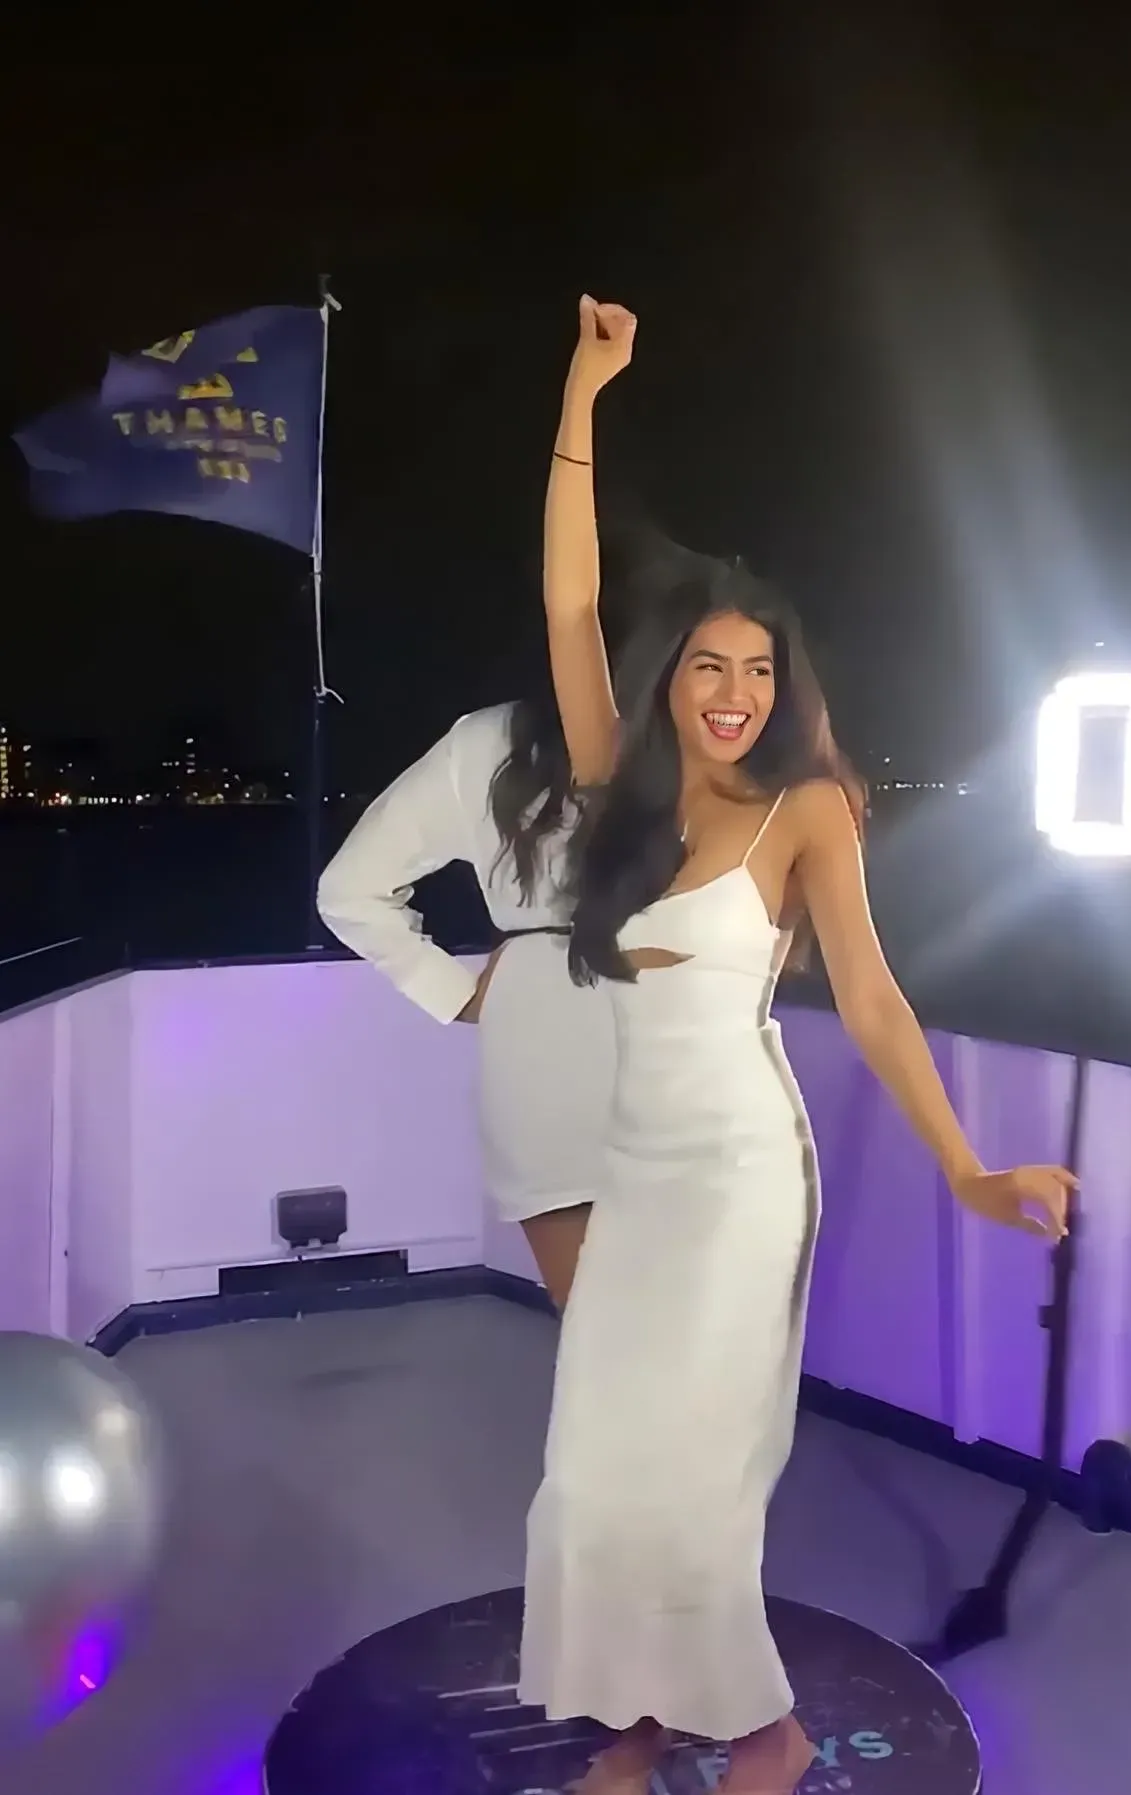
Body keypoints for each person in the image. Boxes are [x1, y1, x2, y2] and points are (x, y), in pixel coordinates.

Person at [518, 296, 1075, 1794]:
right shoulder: (620, 791)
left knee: (700, 1478)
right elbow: (570, 606)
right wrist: (584, 391)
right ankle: (635, 1720)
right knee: (596, 1465)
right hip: (639, 1176)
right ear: (672, 678)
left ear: (785, 687)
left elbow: (874, 999)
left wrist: (967, 1167)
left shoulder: (807, 812)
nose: (734, 694)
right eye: (710, 666)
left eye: (759, 671)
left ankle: (764, 1732)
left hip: (744, 1177)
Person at [315, 675, 614, 1309]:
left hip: (544, 1027)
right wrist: (459, 996)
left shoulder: (490, 739)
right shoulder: (691, 726)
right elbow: (348, 891)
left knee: (596, 1320)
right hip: (656, 1018)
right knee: (679, 1319)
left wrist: (454, 992)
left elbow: (349, 889)